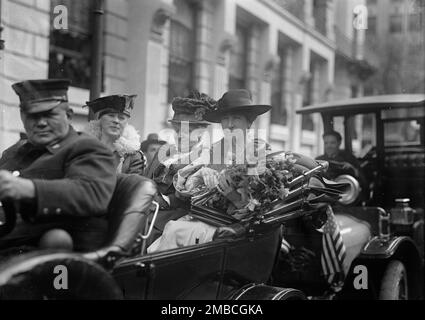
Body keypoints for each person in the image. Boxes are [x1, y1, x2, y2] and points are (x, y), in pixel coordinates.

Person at [148, 89, 273, 252]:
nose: (230, 124)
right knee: (158, 241)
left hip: (235, 227)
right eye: (225, 119)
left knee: (172, 231)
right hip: (206, 218)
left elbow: (262, 207)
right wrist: (200, 176)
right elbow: (186, 187)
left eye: (236, 118)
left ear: (248, 123)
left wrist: (232, 196)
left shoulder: (258, 150)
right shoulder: (215, 149)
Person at [0, 79, 117, 252]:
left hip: (46, 254)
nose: (40, 123)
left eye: (49, 115)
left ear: (68, 115)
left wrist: (27, 188)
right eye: (32, 116)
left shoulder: (86, 148)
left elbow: (92, 193)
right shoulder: (16, 151)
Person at [144, 91, 215, 246]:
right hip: (146, 204)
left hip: (174, 214)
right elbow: (145, 179)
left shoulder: (206, 158)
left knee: (140, 227)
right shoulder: (164, 152)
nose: (181, 135)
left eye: (188, 131)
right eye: (177, 130)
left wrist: (165, 200)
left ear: (201, 132)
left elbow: (194, 198)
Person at [84, 94, 146, 175]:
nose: (116, 121)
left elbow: (132, 185)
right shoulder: (84, 148)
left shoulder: (133, 156)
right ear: (100, 119)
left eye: (121, 118)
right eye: (111, 115)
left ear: (126, 123)